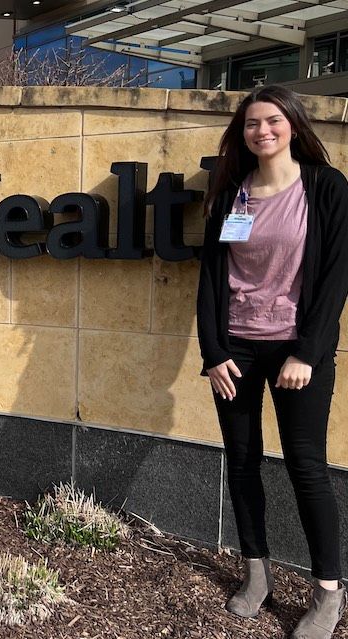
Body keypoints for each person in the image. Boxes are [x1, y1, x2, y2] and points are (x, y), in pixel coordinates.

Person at [197, 84, 348, 638]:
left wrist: (307, 352)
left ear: (293, 125)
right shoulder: (231, 192)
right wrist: (213, 353)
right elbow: (211, 277)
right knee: (241, 461)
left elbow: (337, 275)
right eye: (252, 123)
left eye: (273, 121)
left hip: (296, 351)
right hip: (236, 349)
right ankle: (256, 573)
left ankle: (328, 591)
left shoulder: (325, 186)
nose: (262, 131)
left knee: (306, 467)